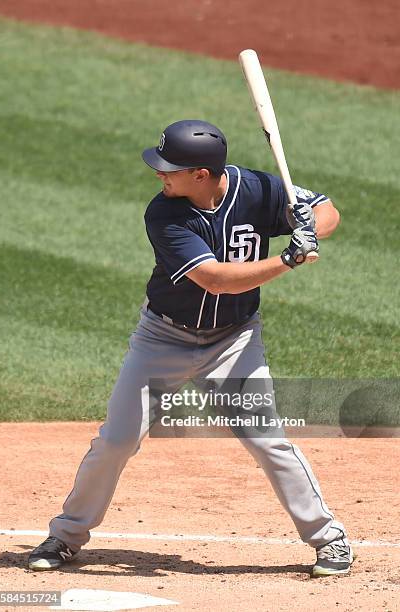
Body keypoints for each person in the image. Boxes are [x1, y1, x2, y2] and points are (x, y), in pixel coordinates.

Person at [28, 119, 354, 577]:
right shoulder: (163, 215)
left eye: (169, 169)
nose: (159, 176)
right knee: (117, 440)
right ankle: (65, 537)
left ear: (201, 174)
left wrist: (310, 228)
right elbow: (215, 279)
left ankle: (329, 539)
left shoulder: (259, 188)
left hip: (234, 340)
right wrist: (288, 258)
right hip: (163, 338)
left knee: (267, 439)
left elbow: (328, 211)